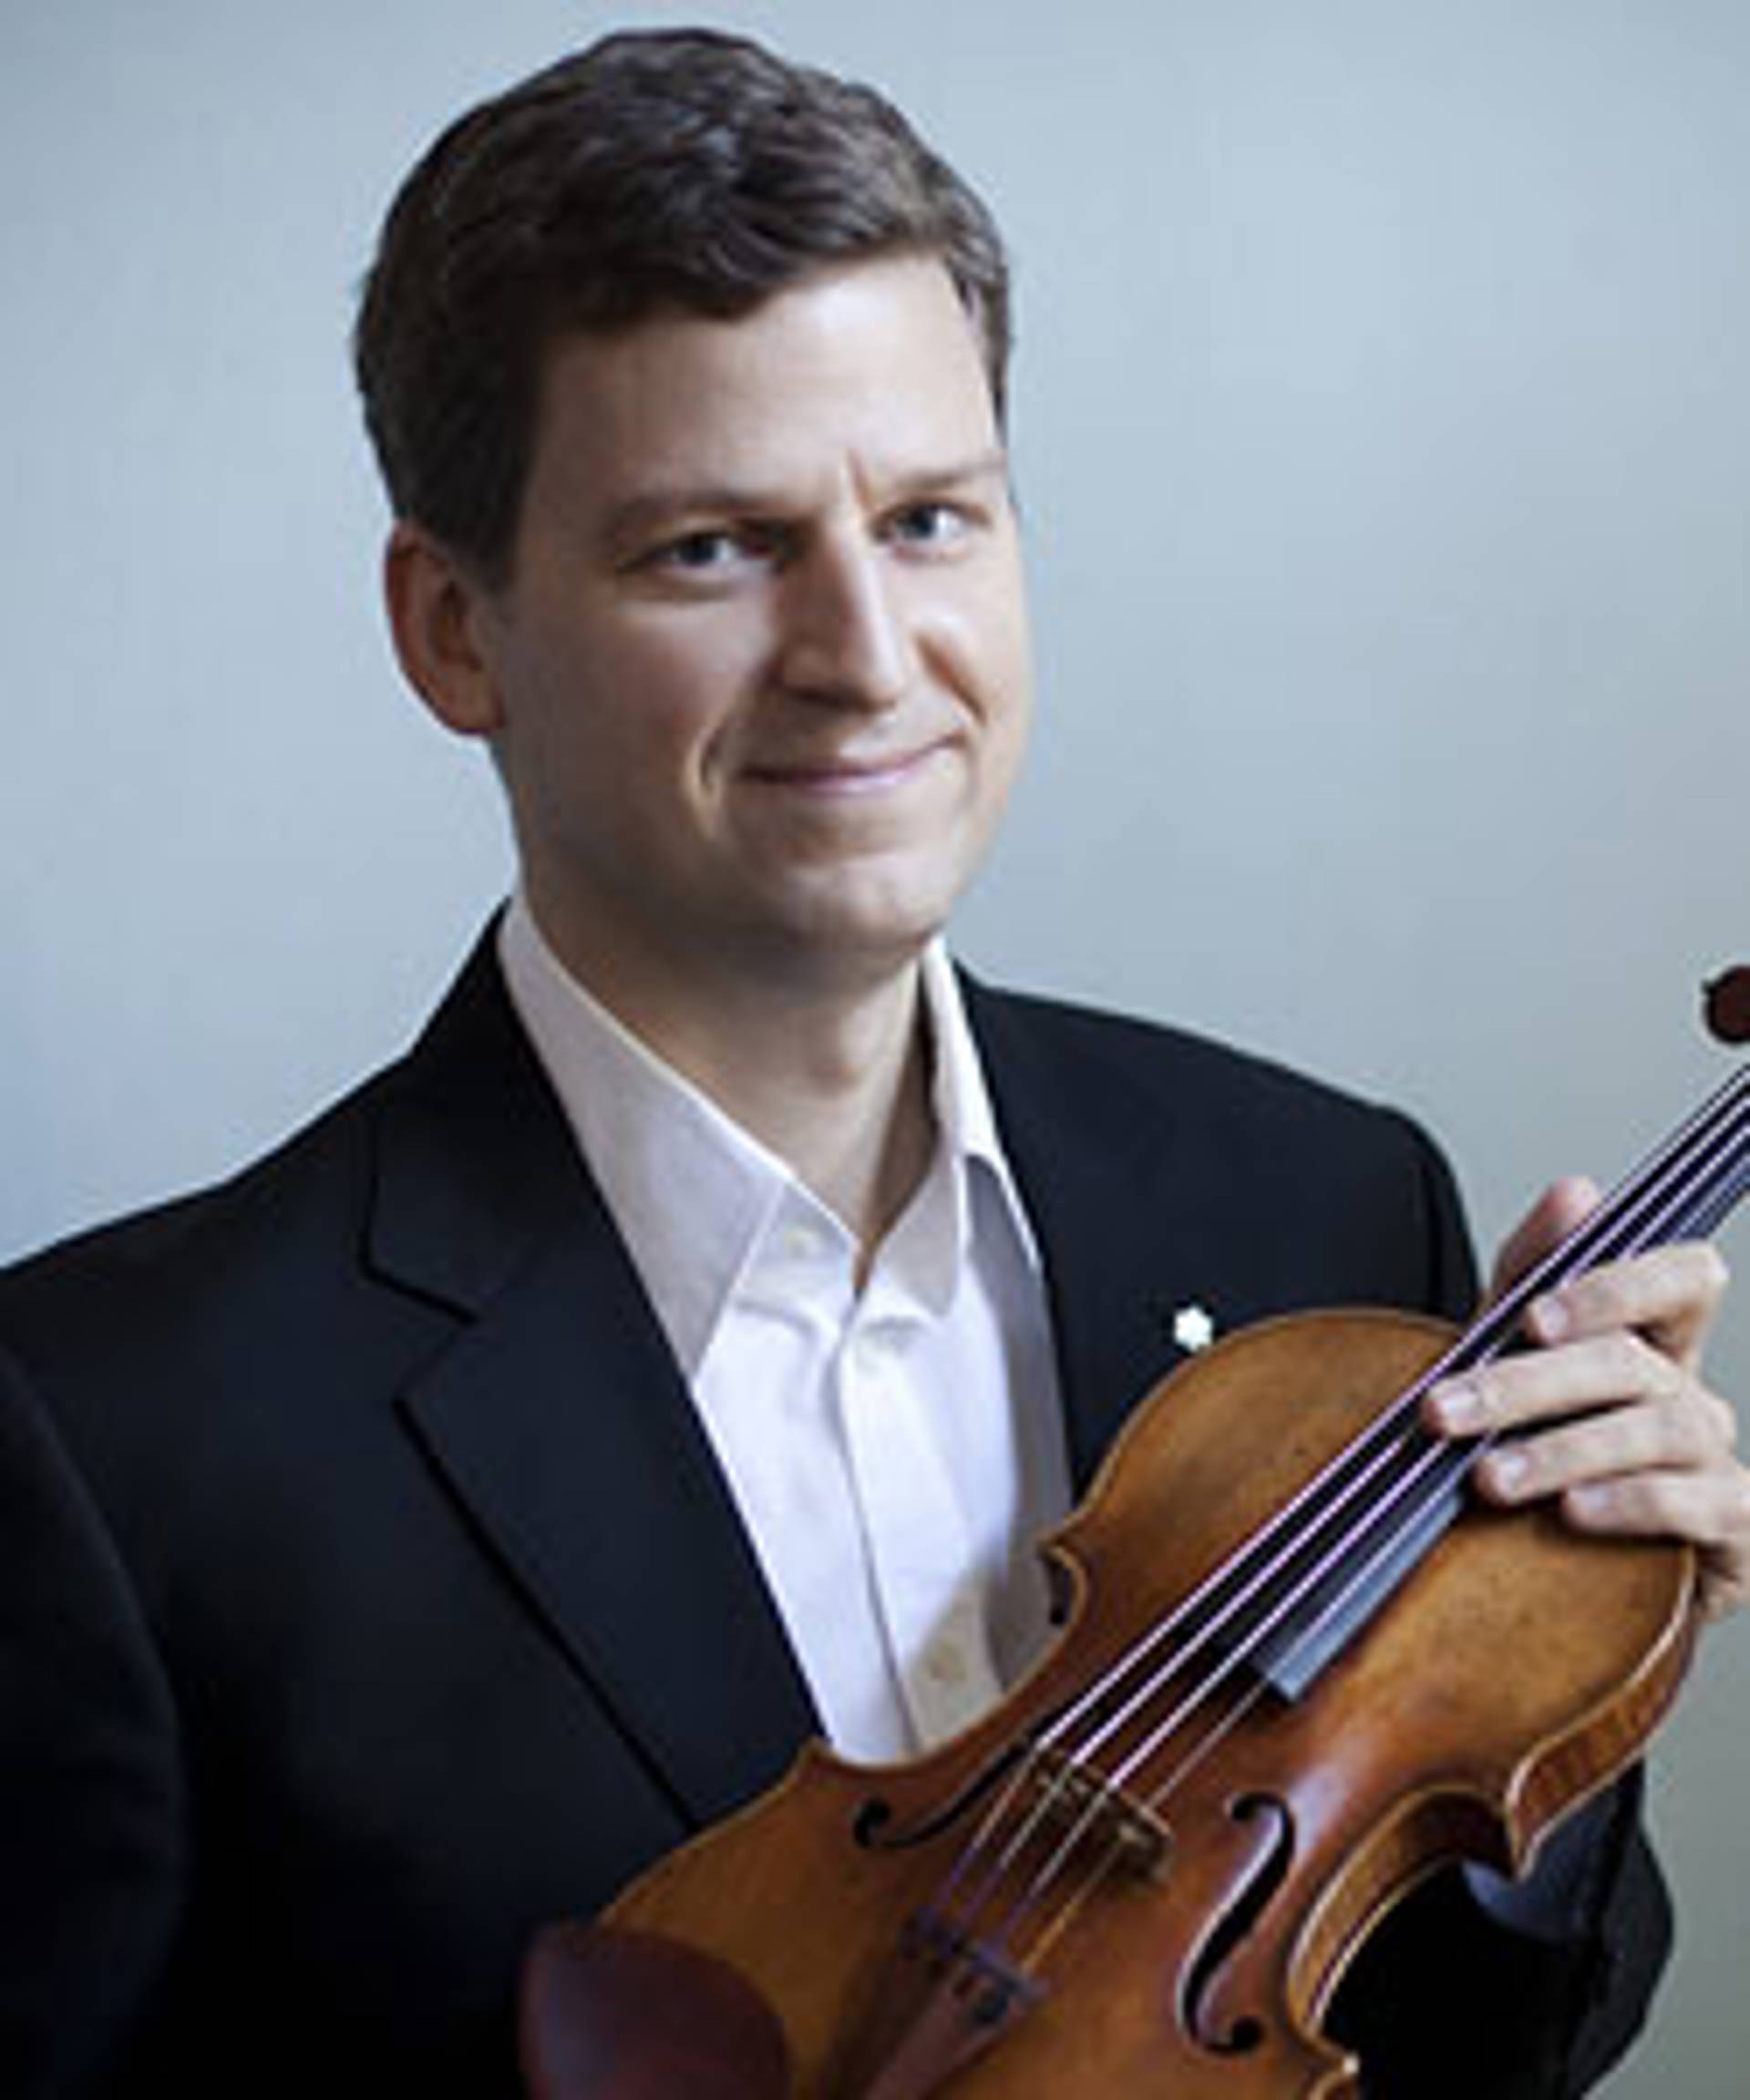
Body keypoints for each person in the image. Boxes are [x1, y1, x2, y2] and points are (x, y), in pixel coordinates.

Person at [1, 27, 1743, 2099]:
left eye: (929, 519)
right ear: (453, 629)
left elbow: (1464, 2055)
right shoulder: (108, 1439)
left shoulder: (1324, 1206)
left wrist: (1541, 1701)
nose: (864, 654)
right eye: (710, 549)